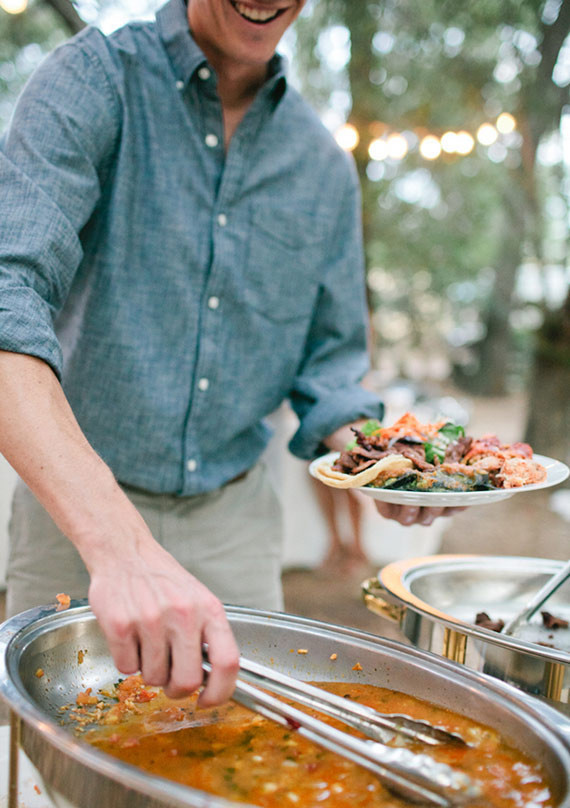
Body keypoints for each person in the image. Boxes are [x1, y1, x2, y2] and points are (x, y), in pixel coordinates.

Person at [0, 0, 461, 707]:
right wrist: (121, 548)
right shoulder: (94, 81)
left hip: (235, 524)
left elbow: (330, 369)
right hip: (78, 511)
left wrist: (389, 465)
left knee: (235, 749)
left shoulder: (322, 167)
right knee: (63, 751)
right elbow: (8, 296)